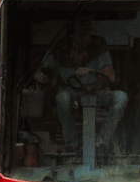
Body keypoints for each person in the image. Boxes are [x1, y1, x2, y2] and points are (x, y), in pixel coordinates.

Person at [33, 16, 128, 157]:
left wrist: (92, 71)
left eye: (88, 34)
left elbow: (111, 76)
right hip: (72, 94)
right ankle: (72, 145)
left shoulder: (99, 45)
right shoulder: (60, 48)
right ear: (71, 35)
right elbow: (41, 71)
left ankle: (100, 143)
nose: (86, 38)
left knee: (121, 97)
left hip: (98, 92)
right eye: (81, 34)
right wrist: (40, 76)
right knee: (62, 98)